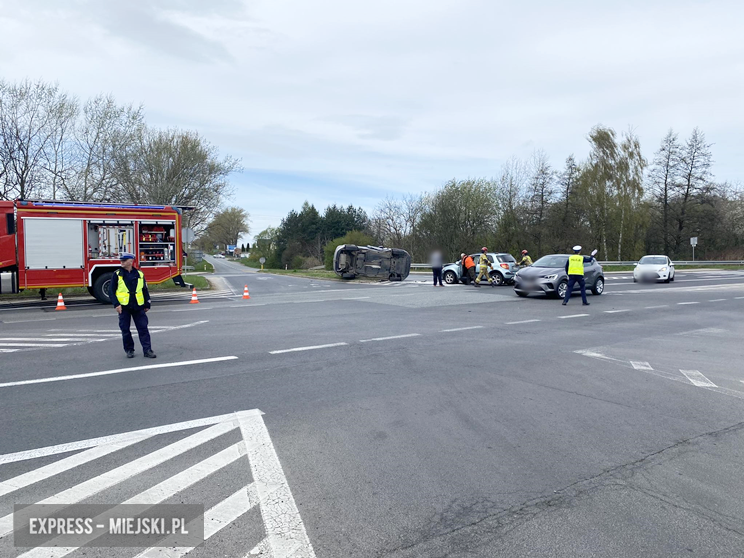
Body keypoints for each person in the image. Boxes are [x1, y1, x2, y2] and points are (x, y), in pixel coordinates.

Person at [109, 252, 156, 358]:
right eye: (121, 261)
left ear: (131, 261)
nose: (121, 262)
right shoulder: (117, 274)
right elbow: (111, 291)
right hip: (124, 306)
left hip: (138, 306)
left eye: (124, 261)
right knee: (125, 330)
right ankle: (129, 350)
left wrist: (147, 304)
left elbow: (144, 290)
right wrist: (116, 304)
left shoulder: (139, 274)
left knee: (143, 328)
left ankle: (147, 350)